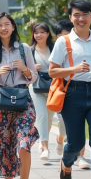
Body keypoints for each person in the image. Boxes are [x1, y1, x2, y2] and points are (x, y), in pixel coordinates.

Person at [49, 0, 91, 179]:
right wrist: (73, 70)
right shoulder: (63, 41)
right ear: (70, 17)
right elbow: (52, 71)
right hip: (72, 95)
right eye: (77, 15)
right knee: (76, 143)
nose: (81, 18)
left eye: (85, 14)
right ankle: (67, 161)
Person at [0, 12, 39, 179]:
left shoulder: (24, 48)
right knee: (5, 147)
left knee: (24, 143)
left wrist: (24, 68)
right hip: (0, 103)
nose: (3, 28)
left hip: (23, 101)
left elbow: (33, 76)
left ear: (13, 26)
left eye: (7, 24)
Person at [54, 20, 90, 170]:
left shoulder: (82, 47)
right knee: (65, 128)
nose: (66, 38)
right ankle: (60, 138)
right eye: (62, 36)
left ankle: (80, 157)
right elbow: (52, 71)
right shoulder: (57, 48)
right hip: (63, 93)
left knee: (80, 128)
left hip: (83, 92)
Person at [28, 22, 58, 161]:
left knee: (50, 117)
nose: (39, 35)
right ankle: (45, 148)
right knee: (41, 116)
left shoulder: (55, 48)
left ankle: (41, 140)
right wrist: (32, 67)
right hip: (36, 87)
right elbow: (24, 71)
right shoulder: (30, 50)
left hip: (53, 88)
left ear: (47, 34)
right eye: (36, 32)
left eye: (42, 32)